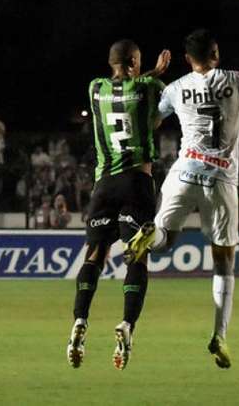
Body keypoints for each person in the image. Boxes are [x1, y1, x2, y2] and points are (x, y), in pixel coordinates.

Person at [127, 29, 239, 369]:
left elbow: (153, 121)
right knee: (223, 263)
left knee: (163, 241)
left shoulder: (175, 88)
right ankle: (219, 334)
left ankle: (151, 232)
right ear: (216, 53)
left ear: (188, 59)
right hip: (220, 180)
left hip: (183, 173)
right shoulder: (237, 81)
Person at [67, 39, 171, 371]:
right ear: (136, 61)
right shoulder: (150, 85)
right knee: (136, 255)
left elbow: (122, 91)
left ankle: (80, 320)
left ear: (111, 61)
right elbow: (155, 117)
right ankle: (126, 324)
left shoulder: (94, 87)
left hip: (104, 185)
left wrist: (148, 72)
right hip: (136, 182)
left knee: (95, 255)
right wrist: (157, 72)